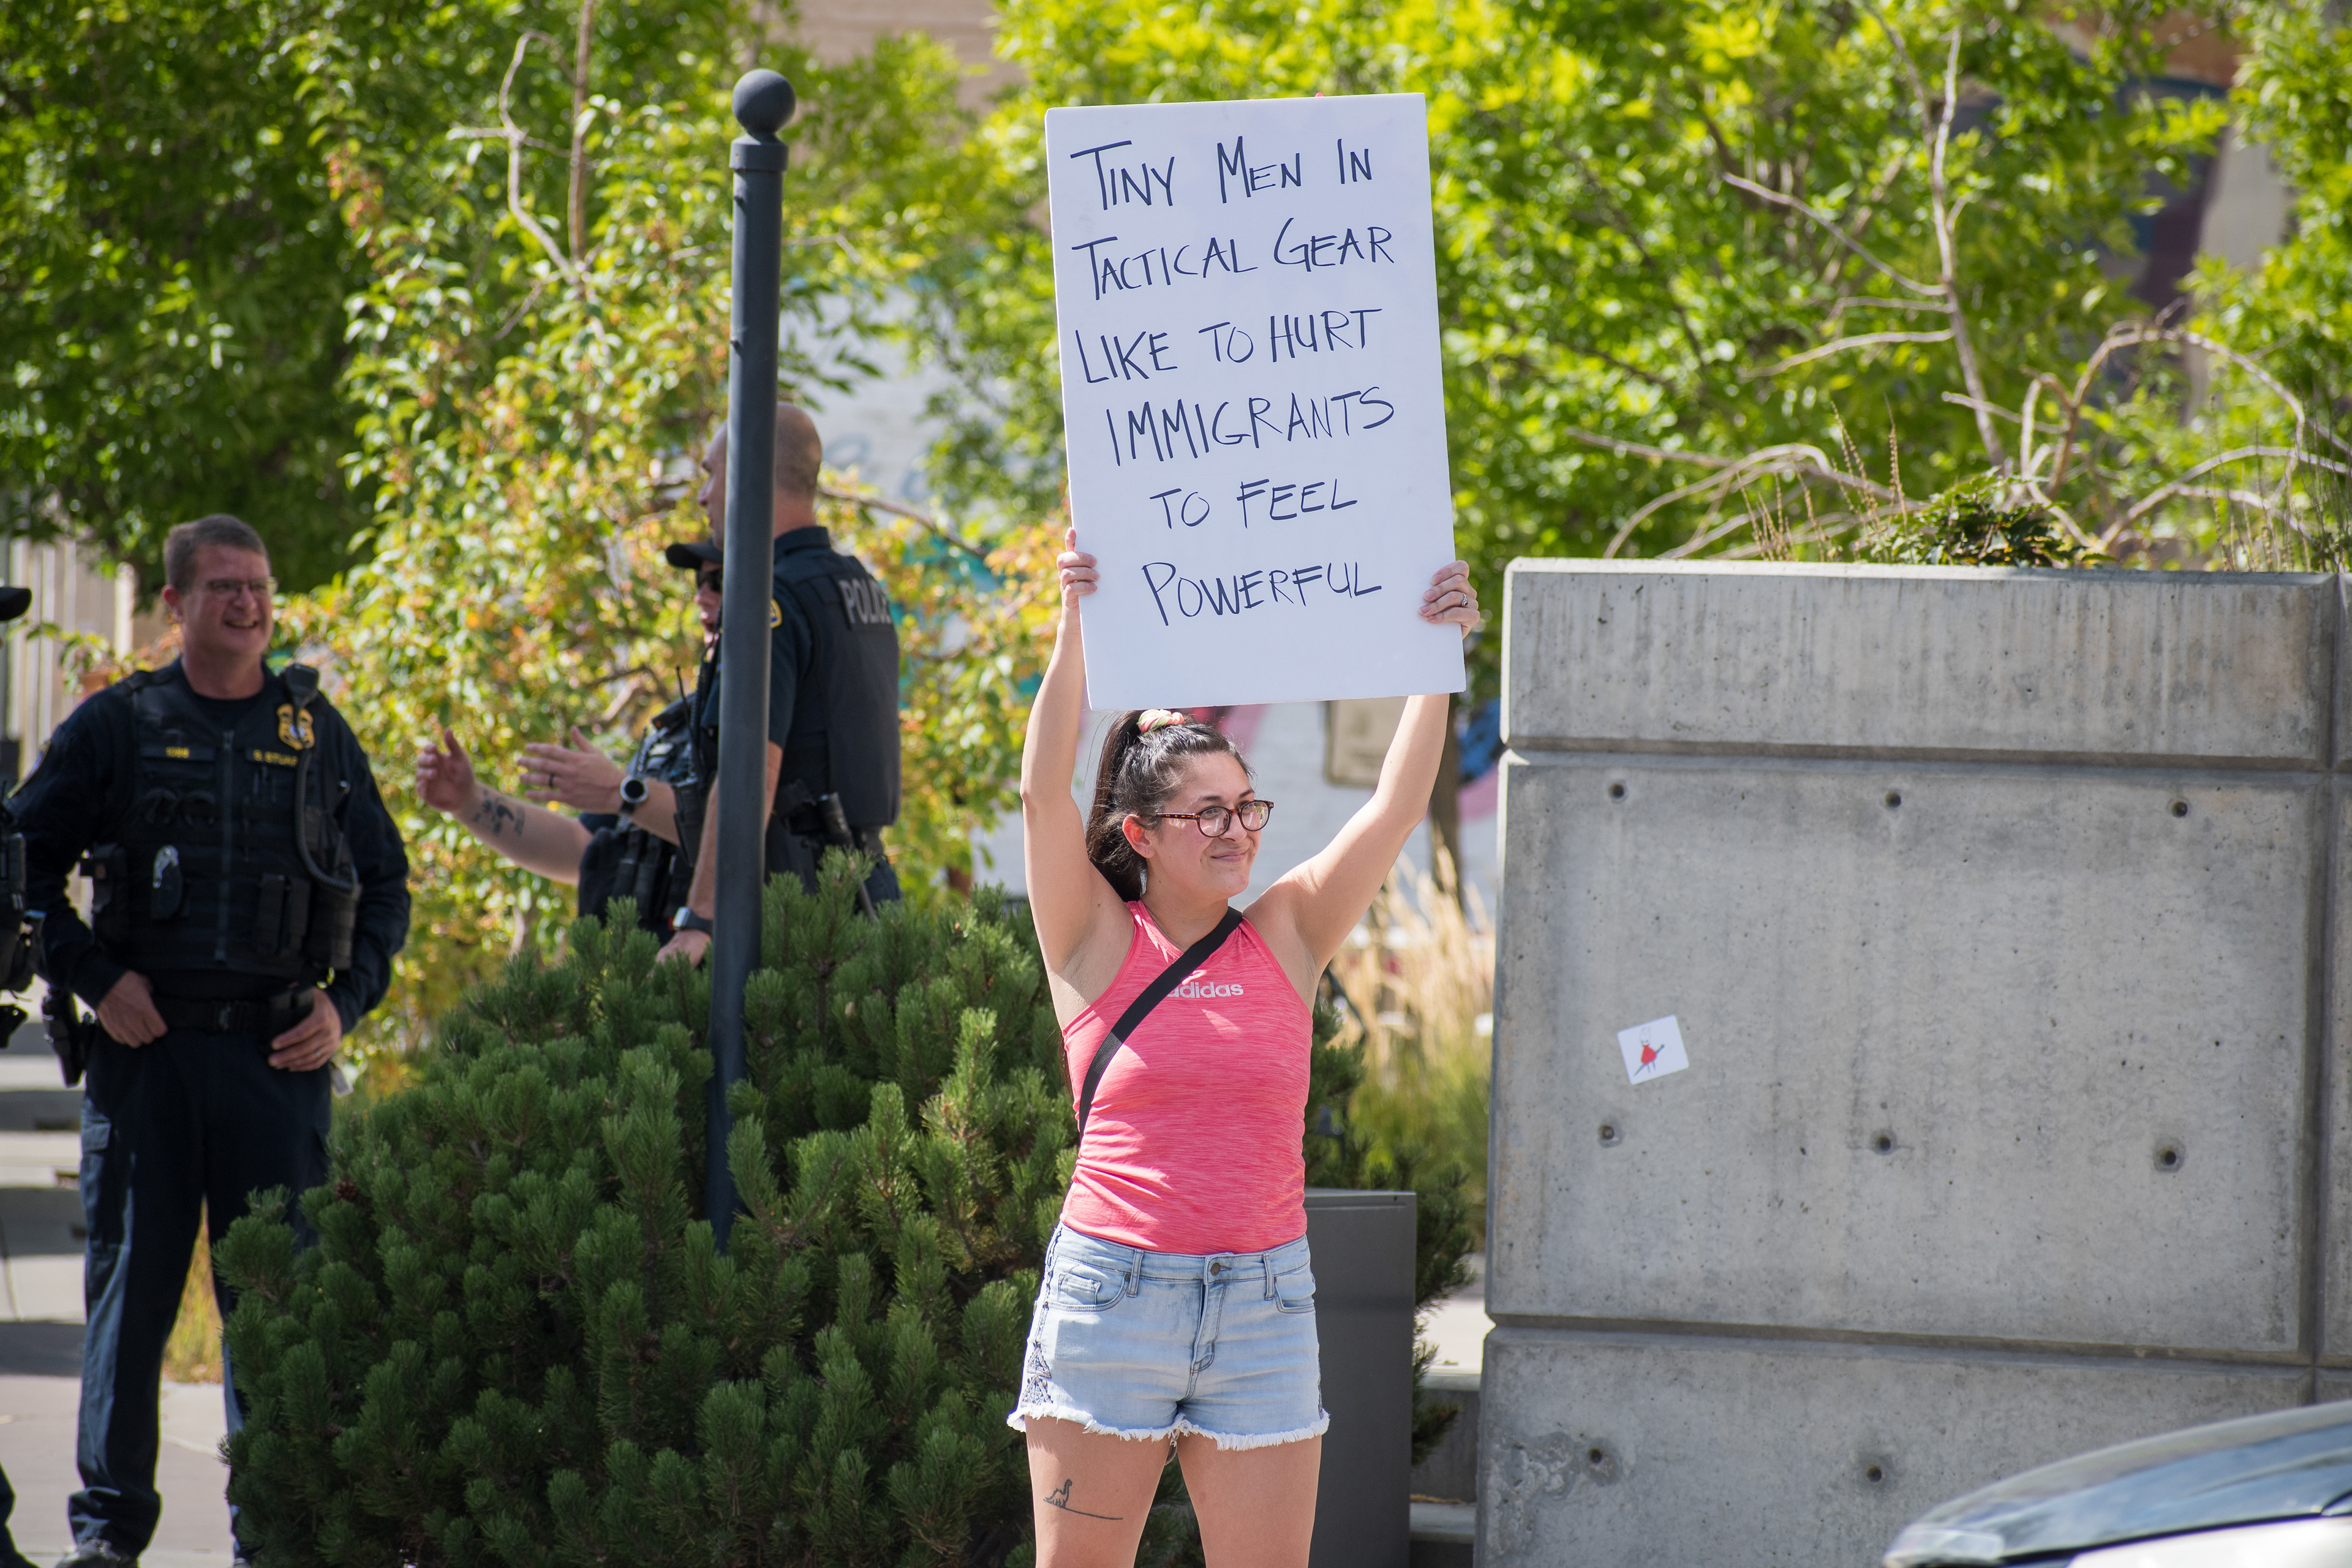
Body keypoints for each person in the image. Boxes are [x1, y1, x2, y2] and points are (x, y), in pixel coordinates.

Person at [1011, 530, 1479, 1567]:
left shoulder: (1288, 929)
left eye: (1248, 806)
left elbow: (1395, 809)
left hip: (1265, 1303)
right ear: (1139, 833)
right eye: (1208, 812)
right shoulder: (1092, 938)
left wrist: (1434, 658)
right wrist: (1075, 628)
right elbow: (1046, 794)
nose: (1239, 829)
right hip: (1113, 1295)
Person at [14, 514, 411, 1567]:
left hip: (278, 1063)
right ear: (176, 605)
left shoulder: (315, 732)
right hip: (148, 1060)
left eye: (260, 587)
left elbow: (388, 884)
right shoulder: (115, 727)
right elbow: (21, 870)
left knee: (275, 1312)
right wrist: (95, 978)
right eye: (225, 588)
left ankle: (275, 1534)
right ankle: (107, 1539)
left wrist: (348, 1006)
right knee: (130, 1306)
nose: (248, 604)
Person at [657, 403, 901, 966]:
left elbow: (749, 773)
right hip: (867, 889)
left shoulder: (769, 598)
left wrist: (700, 920)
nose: (703, 495)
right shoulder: (858, 586)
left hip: (799, 912)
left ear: (747, 474)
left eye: (711, 473)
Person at [414, 553, 719, 934]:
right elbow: (578, 846)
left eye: (719, 583)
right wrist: (470, 802)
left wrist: (622, 791)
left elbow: (750, 839)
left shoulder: (771, 730)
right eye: (698, 583)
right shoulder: (674, 730)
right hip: (648, 986)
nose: (701, 597)